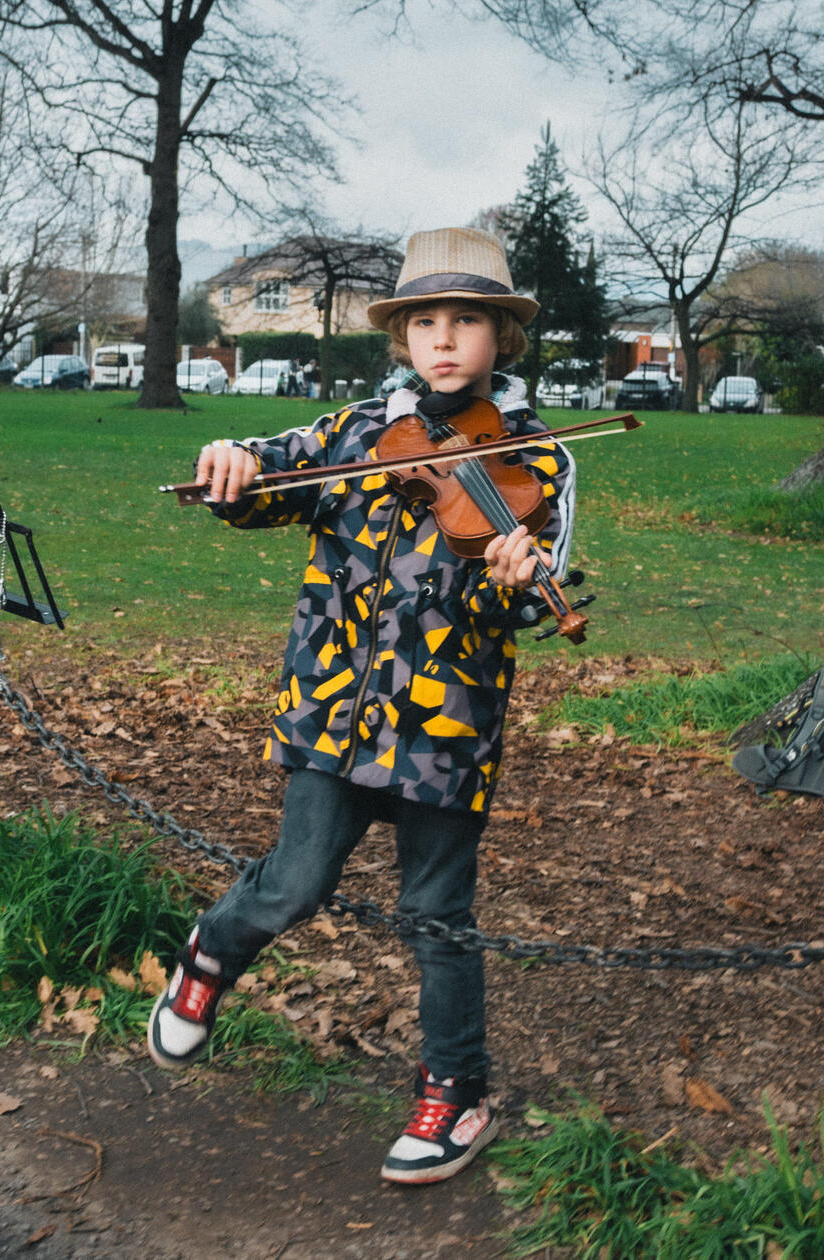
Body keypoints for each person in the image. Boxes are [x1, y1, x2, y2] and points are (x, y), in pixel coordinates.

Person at [148, 227, 575, 1185]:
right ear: (401, 337)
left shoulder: (535, 457)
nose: (444, 339)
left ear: (500, 338)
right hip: (331, 708)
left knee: (435, 915)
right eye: (426, 320)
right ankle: (212, 954)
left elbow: (524, 595)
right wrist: (231, 462)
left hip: (443, 725)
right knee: (294, 885)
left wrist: (517, 572)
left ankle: (455, 1092)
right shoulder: (350, 434)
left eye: (467, 320)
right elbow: (262, 479)